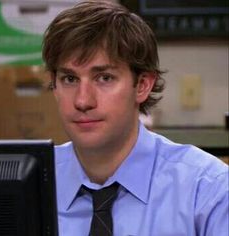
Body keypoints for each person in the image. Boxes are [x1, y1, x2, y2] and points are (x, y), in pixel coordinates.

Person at [42, 1, 229, 235]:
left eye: (104, 78)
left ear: (142, 86)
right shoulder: (31, 185)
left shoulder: (206, 190)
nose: (82, 101)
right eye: (70, 79)